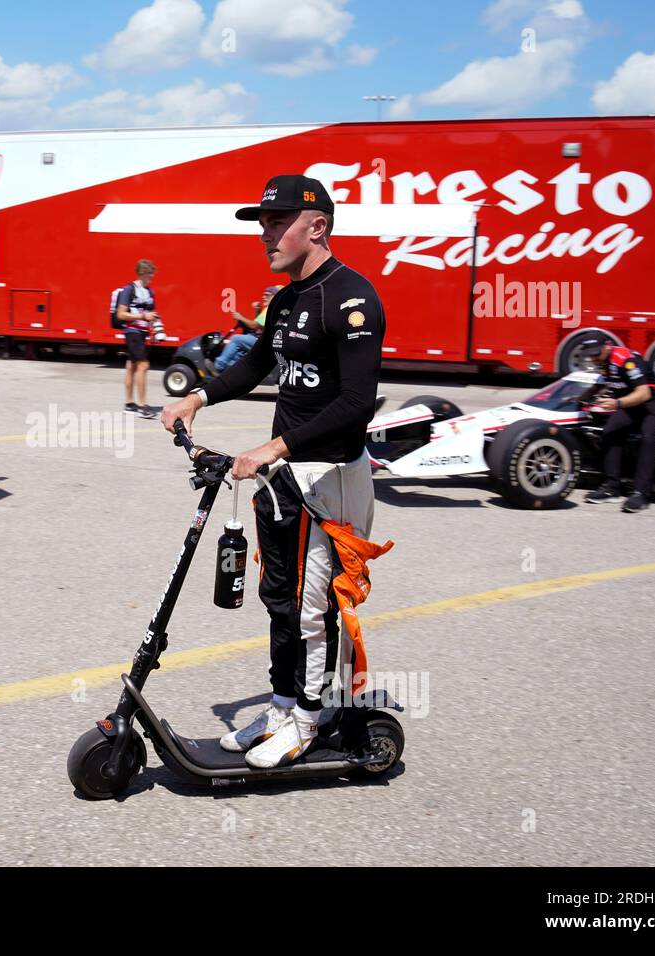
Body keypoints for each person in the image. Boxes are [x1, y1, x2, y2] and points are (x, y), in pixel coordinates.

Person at [160, 175, 386, 769]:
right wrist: (197, 399)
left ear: (318, 225)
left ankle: (310, 720)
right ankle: (284, 704)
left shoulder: (352, 298)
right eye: (261, 223)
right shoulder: (285, 300)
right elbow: (257, 364)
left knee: (314, 605)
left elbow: (357, 403)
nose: (265, 235)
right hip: (286, 474)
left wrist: (272, 447)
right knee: (278, 598)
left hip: (329, 475)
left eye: (276, 222)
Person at [582, 338, 655, 512]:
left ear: (607, 346)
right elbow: (600, 384)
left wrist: (617, 404)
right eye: (589, 355)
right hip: (633, 406)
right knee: (610, 431)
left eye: (596, 353)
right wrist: (579, 398)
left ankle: (641, 494)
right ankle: (612, 487)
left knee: (648, 437)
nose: (593, 357)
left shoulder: (627, 360)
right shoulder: (604, 361)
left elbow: (644, 393)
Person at [115, 260, 160, 419]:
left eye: (152, 274)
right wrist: (142, 316)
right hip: (132, 331)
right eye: (149, 274)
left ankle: (129, 404)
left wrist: (155, 326)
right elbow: (120, 314)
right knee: (143, 365)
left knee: (131, 366)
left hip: (142, 332)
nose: (151, 277)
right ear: (141, 273)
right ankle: (142, 406)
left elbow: (150, 312)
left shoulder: (149, 291)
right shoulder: (129, 290)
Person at [215, 285, 281, 373]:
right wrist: (257, 310)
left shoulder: (271, 309)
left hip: (261, 340)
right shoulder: (268, 308)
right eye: (264, 295)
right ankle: (234, 370)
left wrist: (241, 317)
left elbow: (254, 325)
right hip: (259, 338)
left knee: (236, 339)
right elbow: (259, 324)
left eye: (267, 295)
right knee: (238, 352)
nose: (264, 297)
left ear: (274, 296)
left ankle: (219, 365)